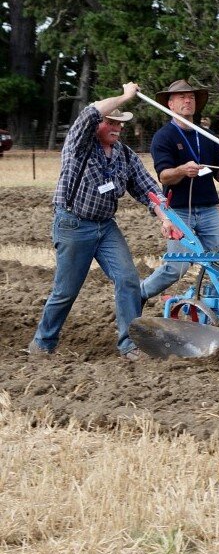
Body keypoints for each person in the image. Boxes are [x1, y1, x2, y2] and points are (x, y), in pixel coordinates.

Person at [27, 82, 177, 360]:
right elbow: (89, 113)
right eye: (111, 122)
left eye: (120, 124)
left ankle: (130, 344)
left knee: (128, 279)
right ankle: (43, 343)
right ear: (99, 124)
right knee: (66, 290)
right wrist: (126, 96)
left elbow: (148, 189)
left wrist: (164, 217)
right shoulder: (80, 144)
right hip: (74, 224)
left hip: (105, 227)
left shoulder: (124, 154)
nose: (117, 128)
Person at [139, 79, 219, 302]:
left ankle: (213, 306)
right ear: (170, 104)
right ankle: (140, 293)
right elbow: (164, 176)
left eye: (191, 97)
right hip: (179, 211)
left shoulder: (207, 135)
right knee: (177, 268)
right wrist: (183, 170)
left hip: (209, 210)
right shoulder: (163, 137)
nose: (188, 100)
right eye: (182, 97)